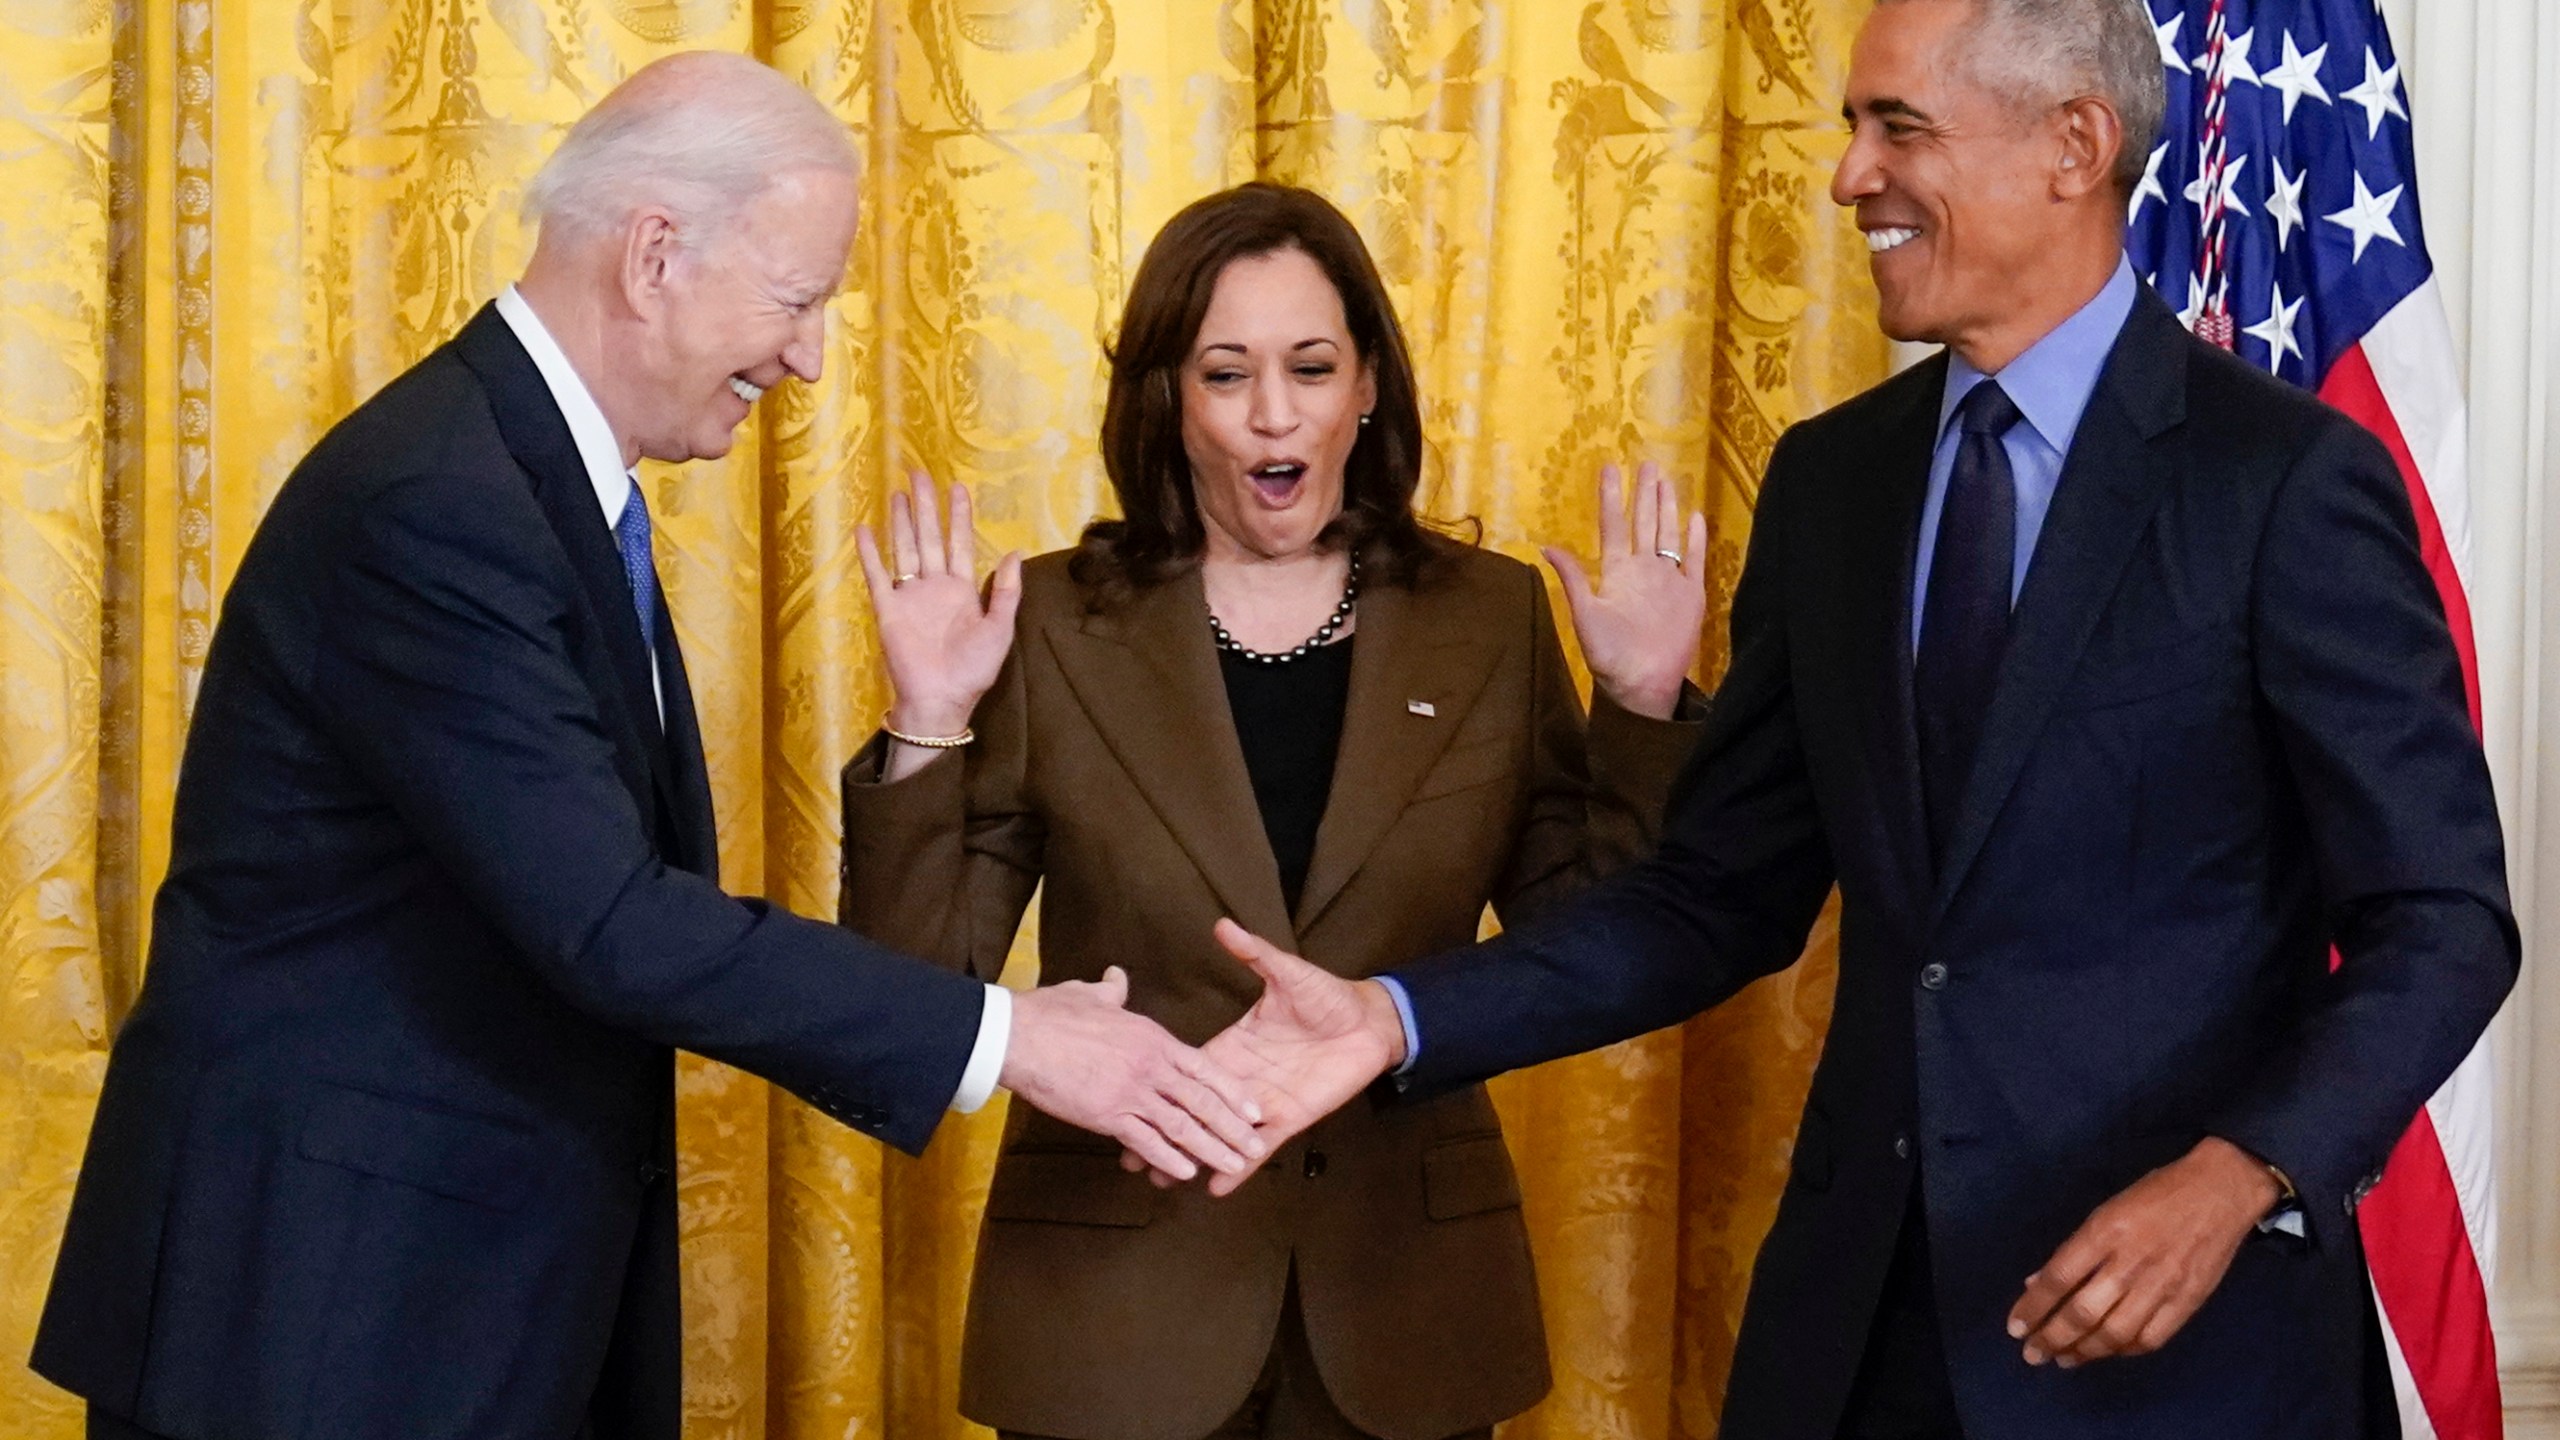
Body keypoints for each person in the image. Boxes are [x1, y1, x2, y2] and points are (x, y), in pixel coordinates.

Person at [1170, 2, 2519, 1437]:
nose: (1847, 177)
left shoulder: (2284, 483)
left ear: (2076, 144)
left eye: (1900, 127)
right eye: (1849, 129)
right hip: (1857, 1342)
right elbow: (1713, 898)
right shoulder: (1835, 484)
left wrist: (2241, 1173)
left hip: (2184, 1357)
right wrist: (1397, 1018)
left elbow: (2441, 921)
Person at [30, 53, 1265, 1440]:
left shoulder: (526, 478)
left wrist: (931, 729)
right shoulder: (439, 502)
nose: (805, 358)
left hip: (440, 1305)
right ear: (655, 255)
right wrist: (1008, 1036)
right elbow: (611, 923)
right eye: (794, 304)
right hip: (324, 1323)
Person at [835, 181, 1708, 1440]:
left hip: (1405, 1316)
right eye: (1225, 373)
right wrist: (929, 718)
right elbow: (914, 988)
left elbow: (1600, 949)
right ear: (1168, 402)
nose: (1273, 414)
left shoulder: (1490, 617)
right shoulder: (1046, 621)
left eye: (1310, 366)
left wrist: (1641, 701)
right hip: (1110, 1322)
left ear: (1365, 387)